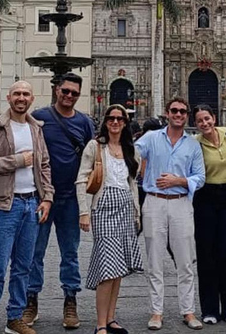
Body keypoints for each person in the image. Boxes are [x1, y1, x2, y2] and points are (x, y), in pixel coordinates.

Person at [0, 81, 54, 334]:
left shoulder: (36, 128)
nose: (21, 98)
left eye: (26, 94)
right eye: (17, 94)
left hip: (31, 203)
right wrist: (19, 160)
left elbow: (43, 165)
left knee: (24, 266)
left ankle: (15, 316)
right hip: (4, 206)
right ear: (9, 97)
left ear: (32, 99)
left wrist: (47, 198)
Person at [25, 73, 95, 329]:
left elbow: (93, 156)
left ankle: (70, 300)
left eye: (74, 93)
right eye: (65, 91)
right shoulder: (40, 118)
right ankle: (30, 300)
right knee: (35, 252)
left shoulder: (85, 122)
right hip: (43, 198)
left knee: (70, 253)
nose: (69, 96)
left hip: (71, 200)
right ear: (56, 90)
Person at [134, 97, 205, 331]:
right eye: (174, 110)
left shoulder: (193, 145)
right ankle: (156, 312)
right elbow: (130, 152)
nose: (178, 114)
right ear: (167, 113)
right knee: (154, 260)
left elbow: (200, 177)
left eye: (183, 111)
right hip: (154, 202)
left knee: (185, 260)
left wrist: (180, 180)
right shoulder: (152, 138)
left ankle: (188, 310)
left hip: (181, 203)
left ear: (186, 116)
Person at [77, 104, 143, 334]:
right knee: (108, 266)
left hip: (125, 208)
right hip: (103, 208)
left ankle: (112, 318)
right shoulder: (95, 147)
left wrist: (137, 213)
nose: (115, 122)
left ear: (125, 123)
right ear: (105, 122)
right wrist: (84, 212)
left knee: (119, 267)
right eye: (111, 118)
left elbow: (132, 184)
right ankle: (100, 324)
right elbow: (81, 180)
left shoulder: (130, 150)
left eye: (120, 119)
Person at [192, 105, 226, 325]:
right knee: (206, 252)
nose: (205, 123)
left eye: (207, 118)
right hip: (205, 198)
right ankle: (209, 308)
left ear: (214, 118)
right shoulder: (193, 143)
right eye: (200, 120)